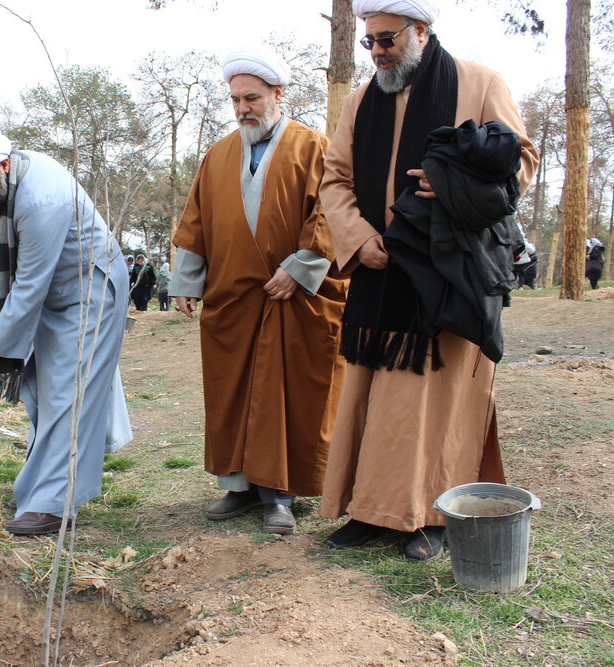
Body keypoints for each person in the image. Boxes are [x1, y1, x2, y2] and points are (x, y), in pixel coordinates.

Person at [319, 0, 539, 559]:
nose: (376, 52)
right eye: (368, 42)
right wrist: (358, 236)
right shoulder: (362, 100)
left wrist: (454, 184)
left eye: (386, 39)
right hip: (379, 272)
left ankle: (432, 517)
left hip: (451, 271)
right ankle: (371, 511)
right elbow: (335, 179)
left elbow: (521, 161)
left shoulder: (480, 81)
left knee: (435, 401)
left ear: (421, 31)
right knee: (374, 394)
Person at [169, 45, 348, 535]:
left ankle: (280, 496)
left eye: (251, 97)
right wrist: (186, 281)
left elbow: (331, 210)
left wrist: (300, 267)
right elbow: (196, 219)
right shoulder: (218, 154)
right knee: (232, 392)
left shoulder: (313, 145)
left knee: (283, 394)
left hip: (291, 296)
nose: (243, 107)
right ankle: (240, 487)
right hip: (233, 298)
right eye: (235, 100)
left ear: (278, 93)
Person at [0, 123, 133, 536]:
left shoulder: (40, 198)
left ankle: (52, 503)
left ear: (3, 166)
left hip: (90, 291)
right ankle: (37, 485)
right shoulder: (11, 183)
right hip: (56, 292)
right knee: (41, 388)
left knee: (68, 394)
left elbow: (28, 284)